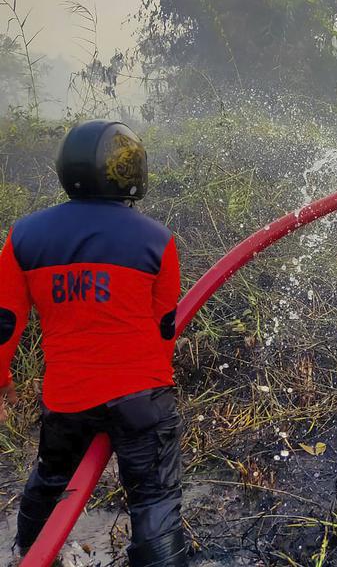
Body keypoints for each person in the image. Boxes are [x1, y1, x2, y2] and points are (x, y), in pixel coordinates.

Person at [0, 120, 187, 566]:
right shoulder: (157, 239)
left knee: (49, 479)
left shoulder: (23, 236)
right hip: (142, 399)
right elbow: (164, 328)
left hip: (68, 400)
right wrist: (143, 392)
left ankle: (32, 553)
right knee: (154, 499)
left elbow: (4, 322)